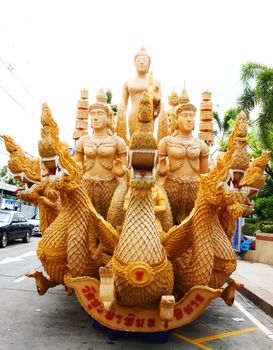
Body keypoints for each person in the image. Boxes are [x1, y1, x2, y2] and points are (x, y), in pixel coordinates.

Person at [75, 95, 127, 220]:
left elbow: (124, 169)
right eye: (92, 114)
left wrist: (121, 170)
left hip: (110, 184)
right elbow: (77, 166)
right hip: (87, 183)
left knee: (110, 219)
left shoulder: (118, 141)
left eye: (99, 113)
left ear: (108, 117)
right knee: (85, 219)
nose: (95, 117)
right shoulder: (82, 141)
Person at [157, 102, 209, 224]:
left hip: (194, 188)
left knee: (194, 223)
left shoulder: (201, 145)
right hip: (172, 187)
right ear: (176, 119)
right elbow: (158, 172)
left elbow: (205, 175)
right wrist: (162, 169)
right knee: (168, 222)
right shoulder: (166, 142)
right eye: (185, 115)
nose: (189, 119)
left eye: (191, 116)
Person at [121, 46, 162, 136]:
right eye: (139, 60)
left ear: (149, 64)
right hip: (133, 114)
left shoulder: (155, 82)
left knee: (147, 140)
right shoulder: (128, 82)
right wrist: (121, 118)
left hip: (148, 115)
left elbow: (159, 104)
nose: (142, 62)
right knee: (133, 139)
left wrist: (154, 97)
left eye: (145, 60)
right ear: (135, 63)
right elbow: (123, 104)